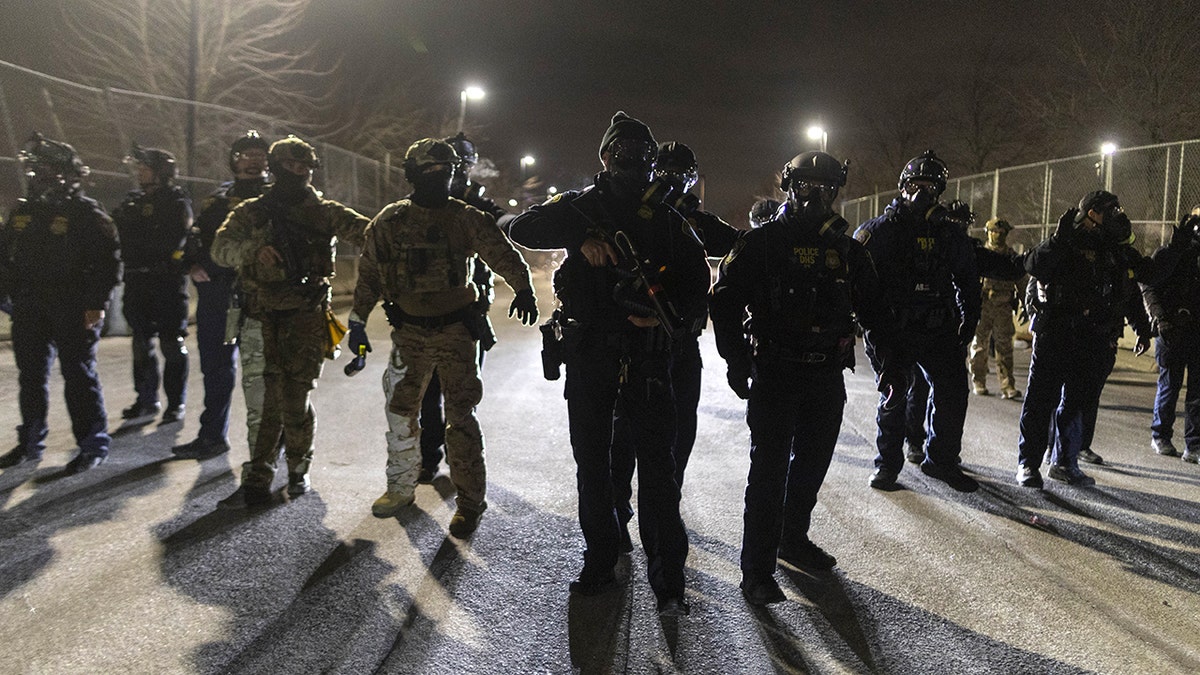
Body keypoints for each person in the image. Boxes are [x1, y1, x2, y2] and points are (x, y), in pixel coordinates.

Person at [508, 112, 711, 616]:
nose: (636, 165)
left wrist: (670, 321)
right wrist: (579, 240)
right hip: (591, 356)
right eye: (625, 155)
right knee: (593, 465)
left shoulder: (666, 218)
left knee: (659, 473)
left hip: (646, 359)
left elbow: (695, 282)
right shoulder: (582, 207)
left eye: (644, 157)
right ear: (605, 157)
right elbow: (520, 225)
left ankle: (668, 579)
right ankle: (600, 558)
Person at [710, 151, 899, 605]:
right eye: (805, 186)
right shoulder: (762, 244)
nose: (814, 196)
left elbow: (875, 310)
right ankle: (757, 571)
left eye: (825, 188)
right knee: (769, 472)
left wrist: (891, 361)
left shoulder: (849, 252)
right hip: (775, 372)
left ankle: (792, 539)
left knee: (812, 466)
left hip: (825, 376)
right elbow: (725, 300)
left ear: (837, 192)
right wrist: (736, 360)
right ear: (788, 187)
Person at [349, 137, 537, 534]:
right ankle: (400, 487)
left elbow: (500, 252)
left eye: (445, 171)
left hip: (455, 331)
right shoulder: (390, 220)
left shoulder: (464, 218)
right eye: (430, 171)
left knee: (461, 418)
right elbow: (368, 275)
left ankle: (470, 503)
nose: (438, 178)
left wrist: (523, 286)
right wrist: (357, 321)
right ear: (412, 174)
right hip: (409, 333)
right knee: (401, 414)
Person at [211, 136, 370, 505]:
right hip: (259, 315)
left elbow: (371, 234)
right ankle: (260, 471)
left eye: (306, 168)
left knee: (295, 398)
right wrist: (253, 251)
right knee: (266, 402)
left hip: (306, 315)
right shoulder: (252, 211)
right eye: (292, 166)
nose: (300, 173)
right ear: (276, 166)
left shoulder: (324, 211)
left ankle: (299, 466)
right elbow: (220, 249)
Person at [610, 141, 739, 540]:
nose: (672, 183)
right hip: (633, 345)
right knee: (623, 435)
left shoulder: (694, 223)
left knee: (680, 433)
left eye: (680, 175)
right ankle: (618, 512)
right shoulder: (630, 216)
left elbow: (740, 245)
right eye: (664, 173)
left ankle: (667, 507)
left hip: (680, 344)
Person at [853, 150, 981, 492]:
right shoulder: (879, 231)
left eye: (929, 186)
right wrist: (868, 326)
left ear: (939, 191)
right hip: (894, 328)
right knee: (895, 395)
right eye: (915, 185)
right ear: (902, 187)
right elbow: (857, 280)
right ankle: (887, 466)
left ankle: (941, 460)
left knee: (954, 393)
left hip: (937, 326)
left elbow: (968, 277)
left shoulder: (948, 234)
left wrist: (970, 317)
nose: (921, 193)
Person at [0, 133, 120, 473]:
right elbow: (5, 258)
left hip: (72, 305)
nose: (40, 176)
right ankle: (30, 441)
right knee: (31, 376)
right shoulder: (24, 211)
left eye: (47, 169)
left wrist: (97, 302)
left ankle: (92, 443)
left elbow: (108, 261)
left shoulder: (84, 212)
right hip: (30, 306)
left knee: (78, 374)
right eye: (36, 169)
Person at [1016, 190, 1152, 487]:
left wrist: (1142, 326)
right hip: (1056, 333)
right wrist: (1058, 240)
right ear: (1091, 212)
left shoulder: (1114, 249)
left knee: (1076, 404)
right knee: (1041, 401)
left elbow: (1135, 285)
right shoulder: (1067, 239)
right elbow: (1032, 266)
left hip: (1093, 337)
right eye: (1109, 210)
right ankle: (1028, 463)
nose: (1116, 215)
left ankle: (1064, 462)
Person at [413, 132, 516, 484]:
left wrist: (513, 223)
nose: (455, 171)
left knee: (461, 397)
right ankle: (429, 456)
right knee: (428, 393)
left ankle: (461, 466)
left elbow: (503, 227)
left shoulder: (475, 204)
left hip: (469, 308)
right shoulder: (423, 200)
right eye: (450, 164)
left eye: (462, 164)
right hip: (426, 309)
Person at [172, 131, 272, 459]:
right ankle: (212, 435)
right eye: (247, 154)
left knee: (264, 372)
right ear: (235, 160)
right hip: (217, 294)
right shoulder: (217, 199)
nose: (254, 159)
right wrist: (191, 265)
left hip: (261, 295)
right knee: (215, 367)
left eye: (260, 154)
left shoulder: (278, 197)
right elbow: (196, 236)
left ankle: (271, 444)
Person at [112, 145, 193, 423]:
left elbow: (172, 239)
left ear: (161, 173)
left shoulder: (176, 201)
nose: (140, 172)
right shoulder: (131, 202)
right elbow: (119, 233)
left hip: (167, 283)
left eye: (145, 168)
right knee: (140, 342)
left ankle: (175, 403)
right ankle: (146, 399)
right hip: (137, 280)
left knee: (172, 343)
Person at [1141, 208, 1200, 464]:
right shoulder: (1170, 253)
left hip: (1196, 331)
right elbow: (1149, 284)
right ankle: (1160, 435)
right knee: (1170, 384)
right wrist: (1160, 319)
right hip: (1172, 328)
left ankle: (1194, 445)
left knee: (1197, 392)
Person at [970, 218, 1025, 399]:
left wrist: (1025, 302)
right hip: (984, 305)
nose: (998, 236)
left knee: (1004, 348)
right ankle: (978, 380)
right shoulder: (981, 255)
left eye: (1002, 233)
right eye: (995, 232)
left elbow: (1020, 280)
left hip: (1003, 307)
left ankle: (1007, 384)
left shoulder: (1010, 257)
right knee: (980, 347)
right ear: (988, 232)